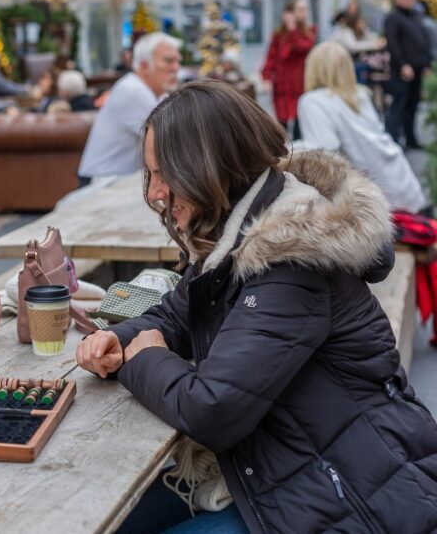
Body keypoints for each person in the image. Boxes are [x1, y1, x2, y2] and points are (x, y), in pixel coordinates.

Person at [76, 80, 437, 534]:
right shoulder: (242, 226)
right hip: (282, 464)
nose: (155, 194)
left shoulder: (290, 258)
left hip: (346, 496)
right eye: (151, 175)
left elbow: (213, 411)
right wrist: (118, 338)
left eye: (165, 174)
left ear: (209, 167)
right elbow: (176, 313)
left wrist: (145, 358)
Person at [297, 41, 426, 213]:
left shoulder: (313, 101)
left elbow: (323, 151)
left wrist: (288, 149)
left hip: (382, 203)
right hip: (404, 185)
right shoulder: (360, 95)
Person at [76, 32, 181, 186]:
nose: (176, 67)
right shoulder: (134, 90)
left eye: (178, 61)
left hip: (116, 181)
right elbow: (171, 143)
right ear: (145, 65)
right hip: (102, 183)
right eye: (168, 61)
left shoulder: (155, 92)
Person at [384, 0, 432, 149]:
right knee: (398, 106)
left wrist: (426, 64)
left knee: (413, 106)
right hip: (401, 71)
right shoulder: (393, 18)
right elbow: (393, 44)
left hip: (418, 69)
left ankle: (411, 140)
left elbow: (423, 41)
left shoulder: (416, 16)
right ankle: (393, 141)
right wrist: (403, 64)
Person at [261, 0, 316, 134]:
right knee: (281, 121)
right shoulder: (278, 35)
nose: (305, 13)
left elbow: (302, 47)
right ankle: (284, 150)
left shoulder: (310, 31)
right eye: (301, 10)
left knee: (300, 118)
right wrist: (266, 77)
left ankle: (299, 150)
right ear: (290, 13)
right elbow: (271, 57)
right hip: (281, 84)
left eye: (306, 9)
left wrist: (292, 29)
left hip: (300, 83)